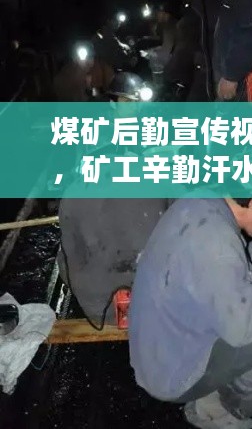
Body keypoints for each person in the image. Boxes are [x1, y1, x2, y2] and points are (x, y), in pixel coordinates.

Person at [129, 196, 252, 428]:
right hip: (174, 374)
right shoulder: (217, 244)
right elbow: (244, 327)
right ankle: (217, 410)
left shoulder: (201, 203)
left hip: (158, 347)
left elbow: (220, 263)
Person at [57, 71, 167, 326]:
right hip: (145, 291)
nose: (135, 109)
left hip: (99, 299)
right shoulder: (100, 141)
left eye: (137, 103)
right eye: (127, 102)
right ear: (112, 104)